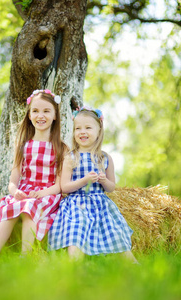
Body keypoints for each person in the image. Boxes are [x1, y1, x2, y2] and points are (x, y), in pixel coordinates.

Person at [0, 89, 67, 261]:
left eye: (46, 111)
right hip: (25, 192)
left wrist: (42, 193)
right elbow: (13, 181)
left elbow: (59, 185)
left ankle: (25, 257)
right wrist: (15, 192)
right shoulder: (23, 146)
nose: (40, 115)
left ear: (55, 116)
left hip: (47, 194)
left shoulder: (61, 148)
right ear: (29, 116)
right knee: (10, 209)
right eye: (35, 111)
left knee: (29, 209)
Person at [48, 106, 137, 263]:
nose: (82, 132)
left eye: (88, 128)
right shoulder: (71, 157)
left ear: (98, 131)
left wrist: (104, 181)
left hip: (100, 205)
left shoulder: (105, 157)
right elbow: (65, 187)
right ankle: (74, 263)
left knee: (114, 232)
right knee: (76, 233)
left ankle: (131, 263)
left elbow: (111, 187)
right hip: (76, 204)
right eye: (78, 128)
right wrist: (84, 181)